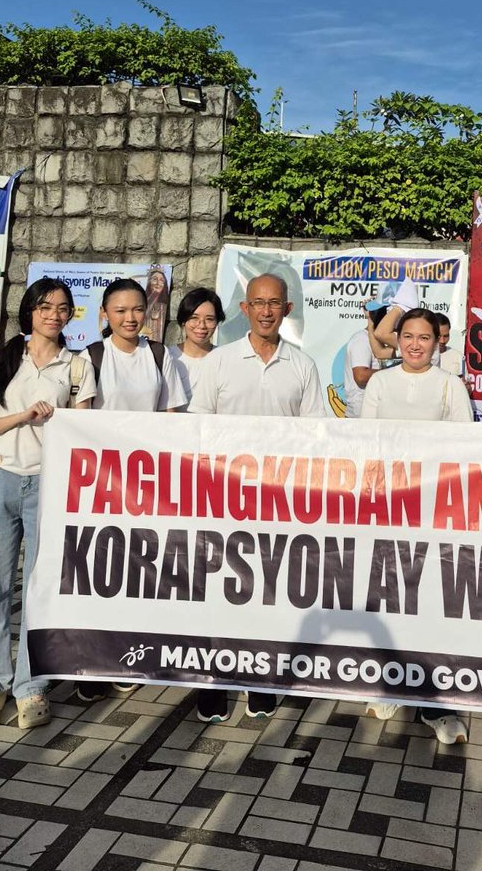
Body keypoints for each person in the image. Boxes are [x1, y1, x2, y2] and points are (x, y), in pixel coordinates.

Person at [190, 273, 327, 721]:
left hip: (280, 503)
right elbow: (198, 428)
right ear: (245, 309)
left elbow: (316, 436)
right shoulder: (221, 362)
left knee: (269, 594)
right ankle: (213, 682)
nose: (267, 311)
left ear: (287, 310)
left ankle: (260, 679)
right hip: (223, 498)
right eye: (258, 303)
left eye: (275, 303)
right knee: (218, 591)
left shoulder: (303, 366)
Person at [0, 278, 96, 730]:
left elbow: (87, 433)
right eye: (44, 307)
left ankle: (31, 685)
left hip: (50, 485)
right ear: (29, 311)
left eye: (62, 308)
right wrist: (22, 416)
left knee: (41, 590)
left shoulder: (76, 367)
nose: (53, 315)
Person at [360, 307, 473, 745]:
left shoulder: (451, 386)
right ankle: (390, 684)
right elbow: (364, 444)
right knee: (390, 598)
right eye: (407, 336)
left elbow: (463, 450)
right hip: (387, 507)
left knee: (431, 604)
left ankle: (435, 705)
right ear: (397, 339)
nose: (415, 345)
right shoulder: (381, 382)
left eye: (424, 337)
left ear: (437, 342)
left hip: (434, 511)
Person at [75, 277, 186, 703]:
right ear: (104, 314)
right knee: (96, 575)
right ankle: (90, 660)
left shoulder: (159, 355)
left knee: (137, 574)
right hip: (100, 487)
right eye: (120, 310)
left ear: (149, 313)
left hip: (147, 486)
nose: (130, 318)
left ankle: (127, 655)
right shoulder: (90, 358)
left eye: (137, 309)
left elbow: (172, 418)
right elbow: (80, 423)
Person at [167, 287, 225, 406]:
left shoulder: (224, 358)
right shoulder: (167, 357)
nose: (202, 326)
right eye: (194, 318)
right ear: (183, 320)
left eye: (209, 319)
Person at [342, 304, 385, 419]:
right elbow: (361, 376)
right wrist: (391, 371)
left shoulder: (379, 340)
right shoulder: (362, 340)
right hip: (360, 417)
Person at [142, 265, 170, 344]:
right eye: (154, 279)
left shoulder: (163, 306)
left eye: (161, 280)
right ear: (149, 282)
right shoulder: (142, 303)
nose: (158, 283)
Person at [433, 311, 465, 377]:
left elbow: (464, 382)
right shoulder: (419, 356)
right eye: (438, 336)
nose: (442, 341)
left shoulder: (458, 357)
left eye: (446, 336)